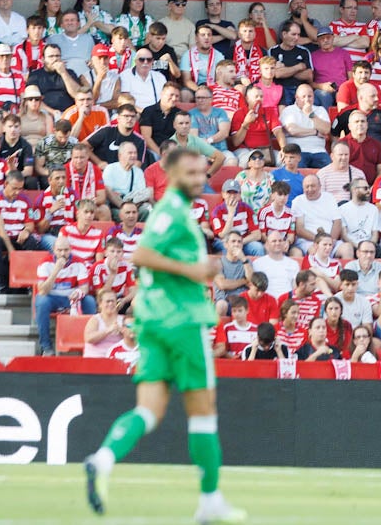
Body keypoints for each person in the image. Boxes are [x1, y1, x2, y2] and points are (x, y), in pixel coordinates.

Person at [84, 149, 245, 524]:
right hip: (183, 323)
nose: (200, 177)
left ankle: (102, 459)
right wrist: (196, 268)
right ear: (171, 175)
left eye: (201, 171)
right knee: (203, 414)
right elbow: (141, 254)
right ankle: (210, 499)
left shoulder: (173, 212)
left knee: (148, 411)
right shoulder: (171, 211)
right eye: (190, 172)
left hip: (154, 324)